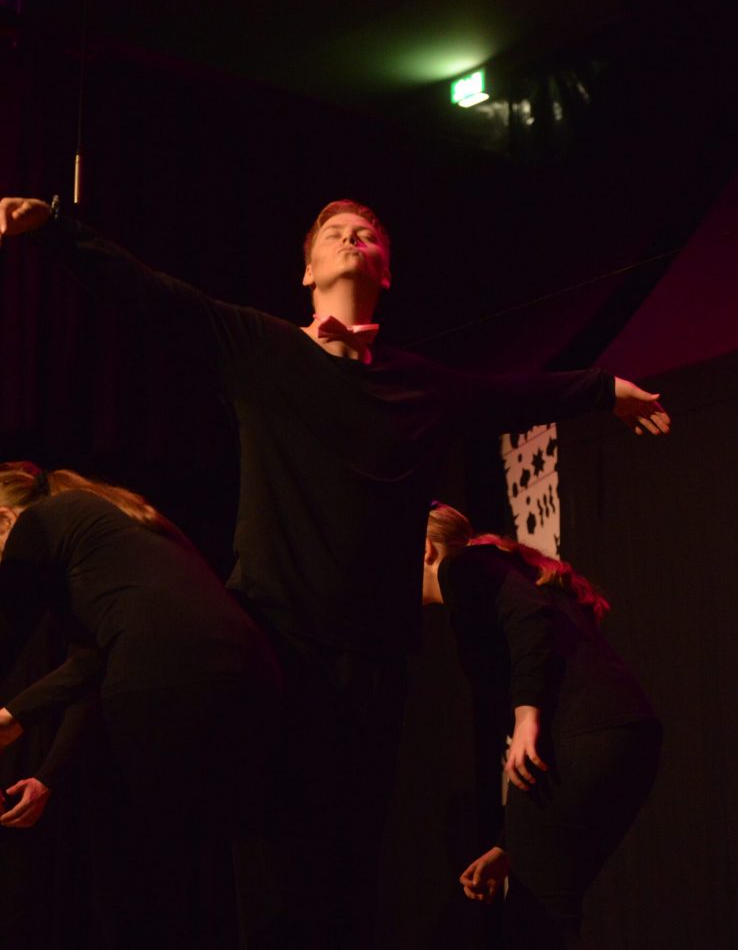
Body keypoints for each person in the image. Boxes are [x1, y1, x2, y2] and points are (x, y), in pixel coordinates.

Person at [0, 194, 669, 948]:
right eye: (334, 232)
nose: (353, 237)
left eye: (369, 235)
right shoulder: (261, 349)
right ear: (308, 271)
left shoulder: (420, 385)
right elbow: (152, 296)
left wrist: (602, 389)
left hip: (375, 663)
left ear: (386, 273)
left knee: (351, 867)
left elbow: (506, 395)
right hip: (278, 642)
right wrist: (54, 229)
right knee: (275, 861)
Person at [0, 461, 281, 950]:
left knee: (135, 868)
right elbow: (92, 661)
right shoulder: (113, 526)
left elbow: (7, 631)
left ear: (5, 518)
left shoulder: (41, 523)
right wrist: (41, 763)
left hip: (168, 677)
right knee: (210, 864)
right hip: (250, 673)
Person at [422, 501, 662, 949]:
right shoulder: (492, 571)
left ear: (426, 552)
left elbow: (530, 617)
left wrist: (526, 716)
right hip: (624, 736)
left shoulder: (461, 567)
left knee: (537, 920)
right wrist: (508, 845)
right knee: (545, 909)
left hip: (586, 736)